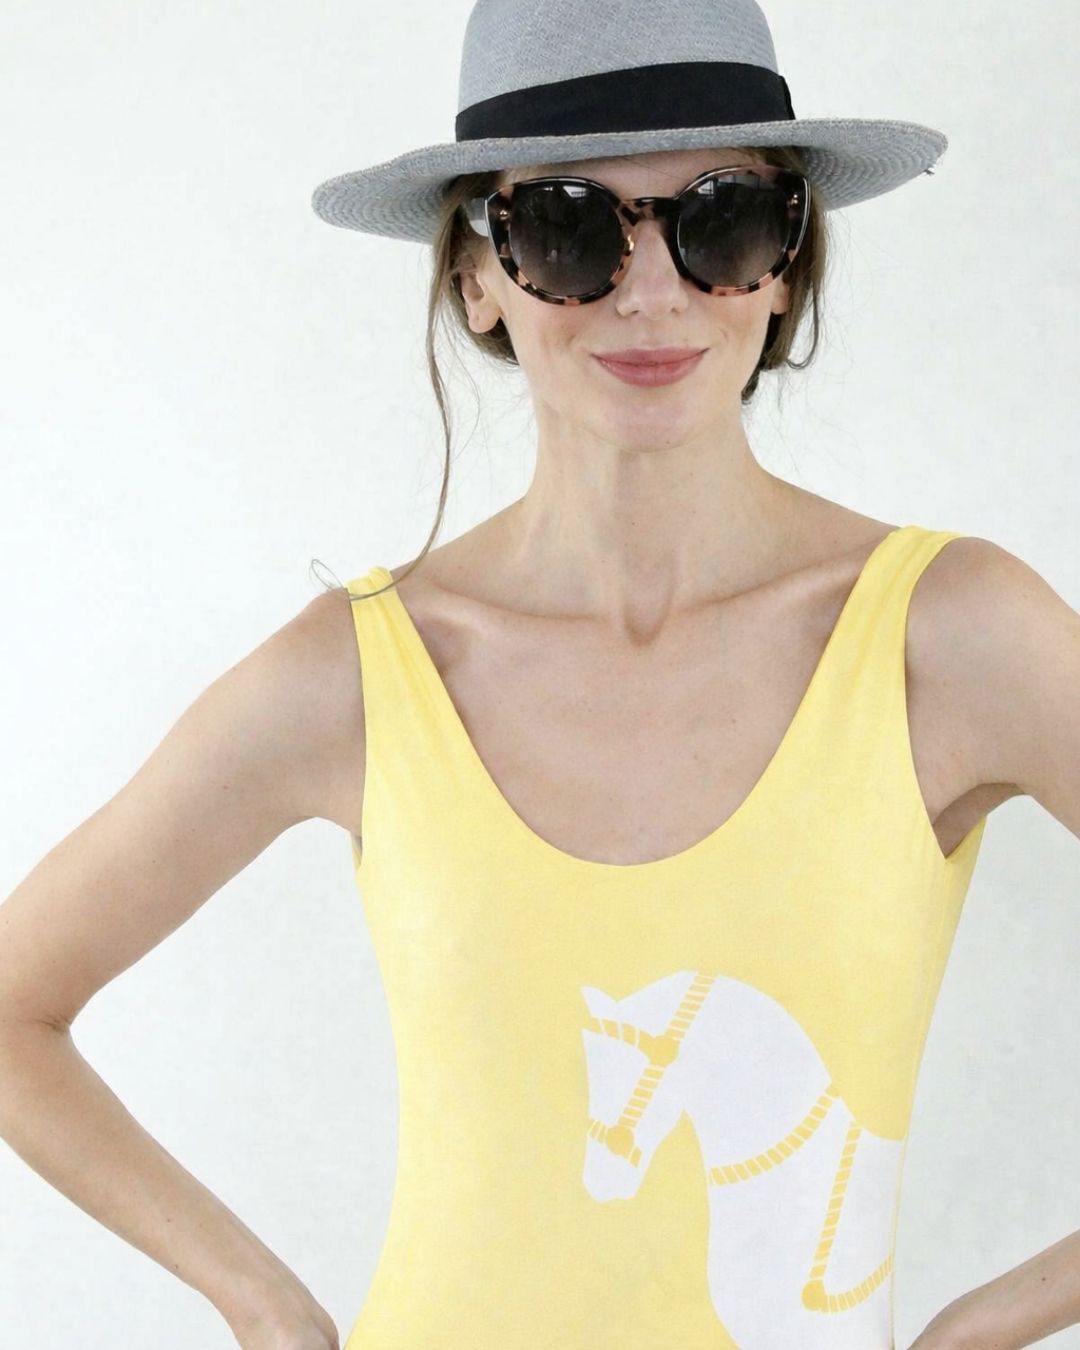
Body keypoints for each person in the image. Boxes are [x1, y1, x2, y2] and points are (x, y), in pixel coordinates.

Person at [1, 0, 1078, 1348]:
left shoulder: (948, 637)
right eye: (568, 227)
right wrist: (261, 1304)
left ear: (788, 264)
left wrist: (988, 1324)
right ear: (477, 277)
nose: (651, 291)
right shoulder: (362, 673)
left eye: (723, 219)